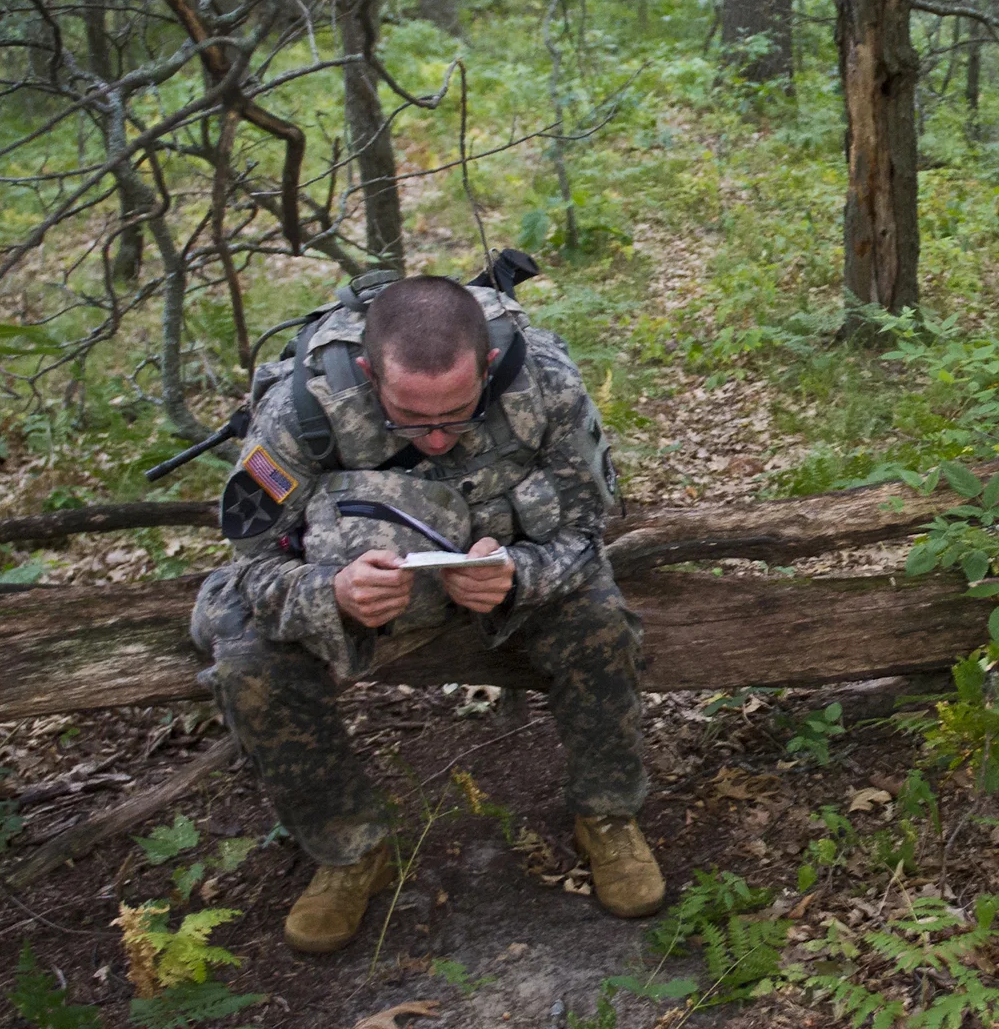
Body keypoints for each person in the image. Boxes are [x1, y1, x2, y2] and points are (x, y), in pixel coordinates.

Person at [189, 272, 662, 953]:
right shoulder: (303, 407)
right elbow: (251, 565)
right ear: (367, 371)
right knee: (249, 667)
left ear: (489, 367)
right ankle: (350, 850)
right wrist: (331, 591)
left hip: (500, 583)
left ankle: (608, 815)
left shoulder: (546, 382)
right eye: (411, 418)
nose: (437, 439)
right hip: (360, 600)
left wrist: (518, 575)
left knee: (602, 626)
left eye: (458, 412)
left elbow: (586, 531)